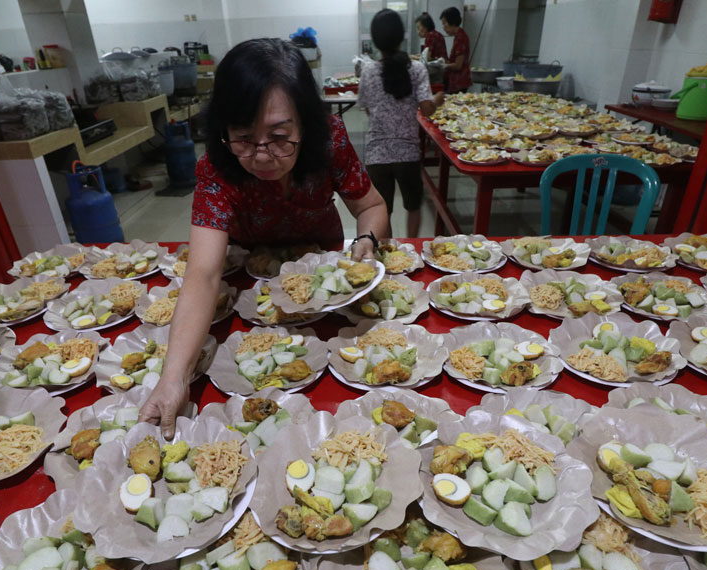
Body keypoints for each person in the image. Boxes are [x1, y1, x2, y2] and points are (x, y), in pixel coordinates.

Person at [139, 38, 389, 437]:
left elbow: (371, 207)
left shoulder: (330, 140)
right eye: (242, 136)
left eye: (278, 136)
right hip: (249, 292)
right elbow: (203, 274)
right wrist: (173, 378)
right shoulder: (215, 170)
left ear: (305, 123)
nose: (260, 155)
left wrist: (368, 241)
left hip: (324, 291)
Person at [359, 9, 443, 238]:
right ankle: (411, 249)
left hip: (377, 154)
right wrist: (437, 100)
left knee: (382, 209)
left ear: (375, 40)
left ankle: (389, 257)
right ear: (401, 37)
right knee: (413, 206)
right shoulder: (416, 69)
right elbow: (426, 109)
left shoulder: (368, 71)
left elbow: (368, 108)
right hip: (408, 153)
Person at [440, 7, 471, 94]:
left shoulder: (461, 38)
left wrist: (444, 65)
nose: (443, 28)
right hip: (458, 80)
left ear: (452, 22)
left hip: (460, 81)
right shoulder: (458, 36)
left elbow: (458, 65)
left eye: (444, 24)